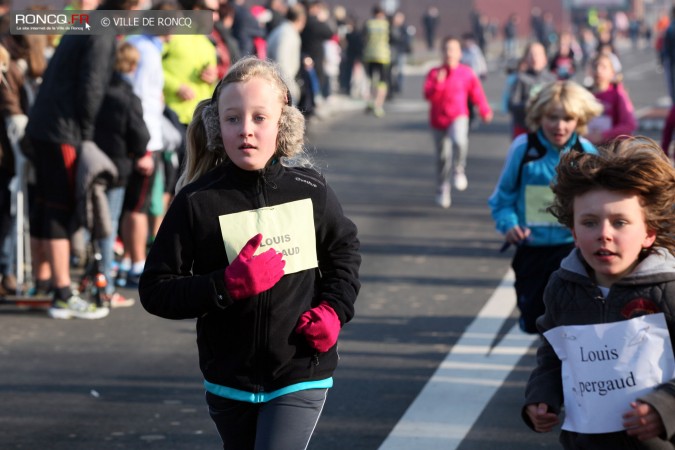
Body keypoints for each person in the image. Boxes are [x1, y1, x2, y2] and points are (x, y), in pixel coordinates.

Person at [138, 57, 361, 449]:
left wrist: (334, 311)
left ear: (284, 124)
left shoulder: (310, 190)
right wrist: (225, 286)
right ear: (215, 126)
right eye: (232, 119)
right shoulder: (196, 201)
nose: (246, 131)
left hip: (300, 370)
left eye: (260, 118)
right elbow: (155, 289)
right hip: (229, 380)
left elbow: (343, 254)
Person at [523, 137, 675, 448]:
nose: (604, 234)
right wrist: (541, 398)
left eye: (620, 222)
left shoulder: (668, 289)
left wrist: (665, 407)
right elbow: (554, 355)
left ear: (648, 233)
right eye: (590, 223)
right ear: (574, 233)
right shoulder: (563, 287)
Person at [25, 0, 139, 319]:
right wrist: (87, 137)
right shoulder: (101, 31)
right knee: (60, 208)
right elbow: (92, 88)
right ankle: (61, 292)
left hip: (47, 126)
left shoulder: (87, 23)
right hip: (64, 131)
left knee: (47, 204)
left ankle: (45, 283)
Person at [488, 80, 602, 334]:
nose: (559, 126)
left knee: (570, 323)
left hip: (571, 250)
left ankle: (562, 370)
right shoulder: (524, 149)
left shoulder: (586, 153)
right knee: (533, 322)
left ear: (579, 119)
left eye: (567, 118)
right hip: (532, 250)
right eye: (552, 117)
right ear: (540, 115)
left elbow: (598, 204)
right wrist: (509, 225)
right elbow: (502, 198)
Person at [93, 41, 149, 307]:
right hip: (117, 168)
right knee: (108, 225)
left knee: (91, 225)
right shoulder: (128, 97)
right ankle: (105, 285)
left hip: (91, 163)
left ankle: (95, 279)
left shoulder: (97, 92)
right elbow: (140, 136)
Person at [424, 36, 493, 209]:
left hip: (459, 115)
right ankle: (443, 187)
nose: (449, 53)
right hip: (438, 119)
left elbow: (477, 93)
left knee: (460, 140)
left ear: (460, 53)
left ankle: (459, 169)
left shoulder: (466, 72)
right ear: (442, 53)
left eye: (453, 49)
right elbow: (428, 95)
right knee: (442, 157)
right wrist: (438, 83)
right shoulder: (434, 73)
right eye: (446, 49)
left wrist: (484, 110)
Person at [507, 41, 556, 138]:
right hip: (524, 127)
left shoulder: (551, 79)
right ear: (526, 59)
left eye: (538, 54)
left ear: (545, 58)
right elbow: (512, 104)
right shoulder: (521, 79)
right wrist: (529, 105)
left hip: (546, 129)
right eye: (531, 55)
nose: (535, 58)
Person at [586, 53, 637, 146]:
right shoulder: (584, 95)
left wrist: (604, 135)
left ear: (612, 72)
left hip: (611, 150)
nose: (598, 70)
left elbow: (629, 125)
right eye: (595, 66)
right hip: (588, 148)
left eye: (604, 67)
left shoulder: (618, 94)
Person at [362, 4, 390, 117]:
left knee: (371, 79)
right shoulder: (386, 24)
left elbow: (363, 38)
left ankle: (370, 101)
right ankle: (379, 105)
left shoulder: (368, 24)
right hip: (383, 56)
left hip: (369, 55)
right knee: (382, 82)